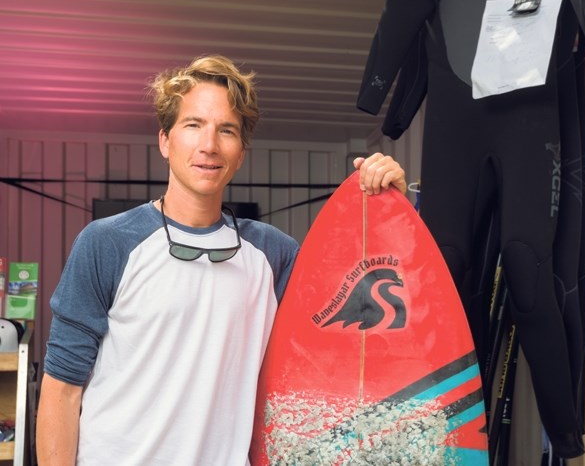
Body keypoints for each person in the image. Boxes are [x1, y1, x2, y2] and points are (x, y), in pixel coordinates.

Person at [35, 54, 406, 466]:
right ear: (165, 140)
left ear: (241, 152)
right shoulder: (108, 243)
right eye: (193, 125)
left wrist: (388, 208)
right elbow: (62, 388)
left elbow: (354, 325)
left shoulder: (274, 254)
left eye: (226, 130)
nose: (208, 145)